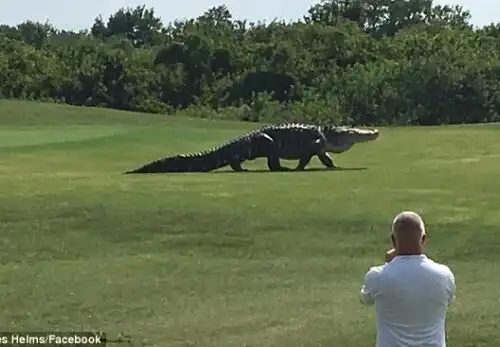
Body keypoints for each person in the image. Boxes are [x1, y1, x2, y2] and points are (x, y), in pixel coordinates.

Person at [359, 211, 456, 347]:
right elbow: (449, 300)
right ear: (423, 239)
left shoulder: (377, 276)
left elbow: (365, 299)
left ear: (393, 240)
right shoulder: (444, 275)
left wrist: (388, 264)